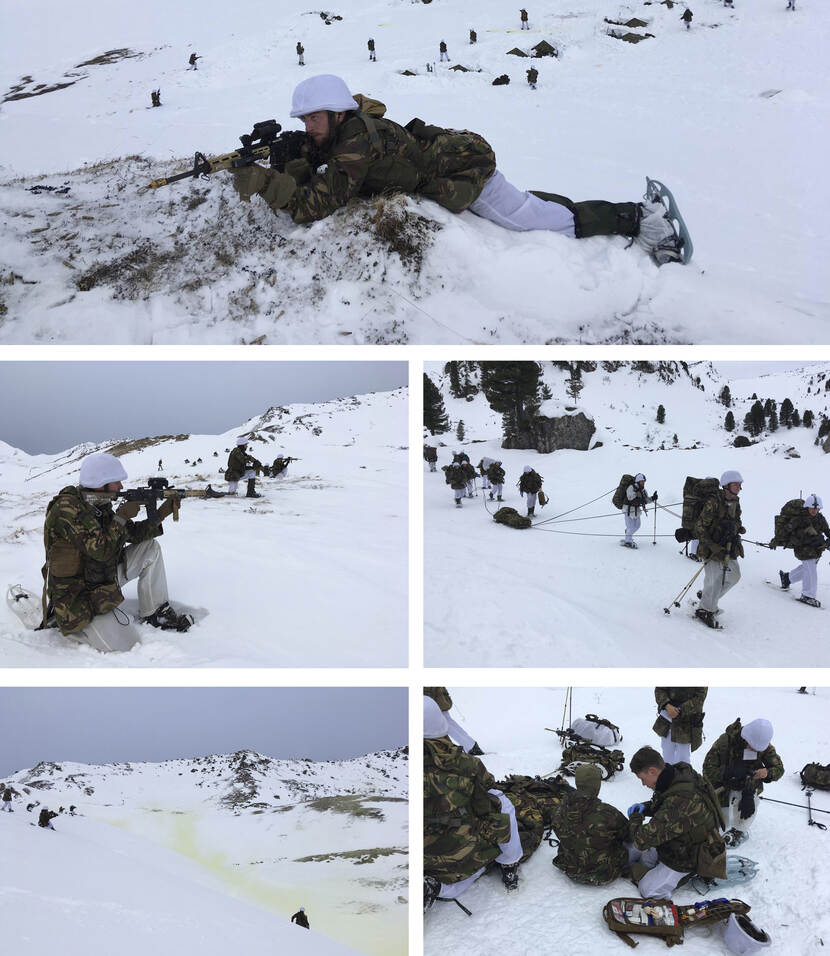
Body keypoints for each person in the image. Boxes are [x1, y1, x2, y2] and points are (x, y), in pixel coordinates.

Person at [229, 74, 683, 262]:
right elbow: (327, 167)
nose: (308, 127)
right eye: (304, 121)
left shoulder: (354, 141)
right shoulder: (344, 130)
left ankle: (640, 220)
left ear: (337, 114)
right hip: (448, 156)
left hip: (465, 170)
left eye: (313, 119)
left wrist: (269, 183)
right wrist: (294, 154)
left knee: (538, 222)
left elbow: (318, 205)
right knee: (530, 206)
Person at [42, 452, 192, 653]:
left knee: (150, 548)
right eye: (116, 482)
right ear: (100, 483)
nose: (121, 487)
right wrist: (121, 517)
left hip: (101, 575)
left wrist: (161, 513)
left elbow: (134, 534)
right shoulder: (67, 510)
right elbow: (101, 550)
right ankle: (66, 621)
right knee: (124, 644)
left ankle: (155, 613)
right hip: (78, 592)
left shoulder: (100, 505)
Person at [424, 697, 524, 908]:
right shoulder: (465, 763)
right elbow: (488, 790)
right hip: (457, 852)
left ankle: (430, 887)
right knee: (502, 802)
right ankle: (509, 863)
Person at [626, 746, 724, 899]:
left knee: (648, 890)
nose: (643, 784)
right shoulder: (675, 774)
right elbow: (664, 804)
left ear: (652, 771)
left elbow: (641, 840)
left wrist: (635, 818)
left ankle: (690, 874)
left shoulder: (681, 799)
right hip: (678, 838)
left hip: (689, 854)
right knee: (644, 859)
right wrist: (646, 808)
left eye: (642, 779)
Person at [703, 718, 784, 847]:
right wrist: (728, 774)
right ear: (746, 737)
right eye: (752, 746)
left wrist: (767, 773)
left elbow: (779, 769)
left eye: (757, 749)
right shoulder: (725, 742)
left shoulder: (763, 746)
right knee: (716, 821)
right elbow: (707, 769)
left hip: (746, 789)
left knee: (745, 810)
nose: (754, 750)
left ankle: (739, 831)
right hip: (722, 787)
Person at [550, 765, 630, 885]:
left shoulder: (560, 808)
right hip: (602, 873)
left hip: (569, 866)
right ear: (597, 785)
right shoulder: (608, 813)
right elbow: (629, 835)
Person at [693, 470, 744, 627]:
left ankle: (708, 598)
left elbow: (737, 519)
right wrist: (712, 545)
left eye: (739, 485)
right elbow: (700, 527)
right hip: (711, 547)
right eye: (735, 485)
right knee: (714, 579)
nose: (738, 487)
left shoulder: (735, 502)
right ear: (726, 485)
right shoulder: (714, 502)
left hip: (728, 546)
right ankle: (705, 610)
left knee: (734, 576)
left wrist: (737, 527)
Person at [773, 493, 829, 608]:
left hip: (816, 548)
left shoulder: (820, 518)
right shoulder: (798, 519)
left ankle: (787, 579)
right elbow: (785, 531)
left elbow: (827, 531)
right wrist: (776, 540)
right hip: (802, 547)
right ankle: (808, 595)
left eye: (816, 508)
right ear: (807, 506)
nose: (814, 510)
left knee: (808, 568)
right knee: (810, 568)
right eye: (812, 508)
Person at [653, 688, 707, 765]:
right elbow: (660, 689)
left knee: (683, 758)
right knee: (667, 756)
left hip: (687, 724)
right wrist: (666, 705)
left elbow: (700, 697)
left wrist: (679, 709)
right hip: (667, 721)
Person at [424, 687, 484, 755]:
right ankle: (471, 746)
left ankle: (471, 747)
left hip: (434, 701)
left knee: (446, 725)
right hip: (434, 701)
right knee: (448, 724)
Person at [622, 473, 656, 549]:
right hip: (628, 509)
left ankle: (628, 533)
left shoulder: (643, 490)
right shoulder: (631, 488)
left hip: (636, 510)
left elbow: (646, 500)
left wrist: (653, 498)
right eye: (641, 481)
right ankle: (628, 541)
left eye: (644, 481)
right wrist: (642, 501)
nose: (643, 483)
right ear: (637, 481)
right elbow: (631, 499)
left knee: (637, 525)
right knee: (631, 527)